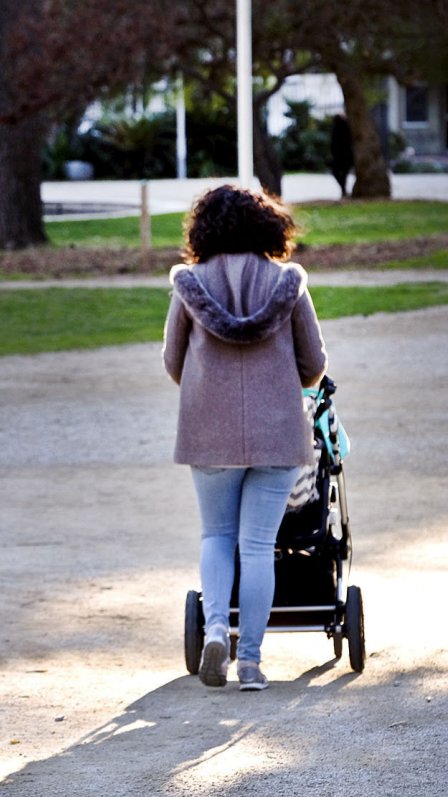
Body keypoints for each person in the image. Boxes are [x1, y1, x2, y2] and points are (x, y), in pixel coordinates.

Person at [162, 185, 328, 692]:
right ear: (268, 227)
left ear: (202, 230)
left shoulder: (189, 285)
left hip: (209, 431)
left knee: (217, 536)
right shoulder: (287, 283)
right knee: (258, 547)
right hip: (276, 429)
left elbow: (173, 360)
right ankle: (252, 662)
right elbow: (314, 364)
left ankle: (217, 630)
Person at [330, 115, 353, 199]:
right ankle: (343, 190)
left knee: (341, 174)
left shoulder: (339, 129)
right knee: (343, 174)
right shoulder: (344, 128)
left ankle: (343, 190)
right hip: (343, 156)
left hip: (341, 156)